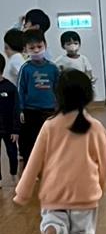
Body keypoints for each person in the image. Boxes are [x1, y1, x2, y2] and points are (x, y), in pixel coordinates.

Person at [14, 69, 106, 234]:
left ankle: (53, 227)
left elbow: (34, 161)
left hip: (54, 190)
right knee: (82, 232)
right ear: (88, 95)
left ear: (57, 95)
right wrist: (103, 185)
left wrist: (22, 192)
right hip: (85, 192)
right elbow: (103, 161)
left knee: (54, 216)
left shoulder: (50, 125)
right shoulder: (95, 127)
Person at [17, 29, 59, 164]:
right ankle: (32, 166)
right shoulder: (25, 68)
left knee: (51, 139)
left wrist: (60, 107)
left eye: (39, 46)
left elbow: (58, 89)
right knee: (31, 141)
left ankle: (51, 164)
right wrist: (20, 109)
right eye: (32, 48)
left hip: (49, 110)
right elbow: (20, 90)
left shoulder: (53, 68)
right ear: (25, 49)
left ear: (45, 45)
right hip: (31, 111)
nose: (36, 50)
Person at [0, 56, 20, 187]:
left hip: (9, 129)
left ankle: (13, 174)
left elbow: (16, 109)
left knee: (12, 153)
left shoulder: (10, 88)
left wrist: (15, 130)